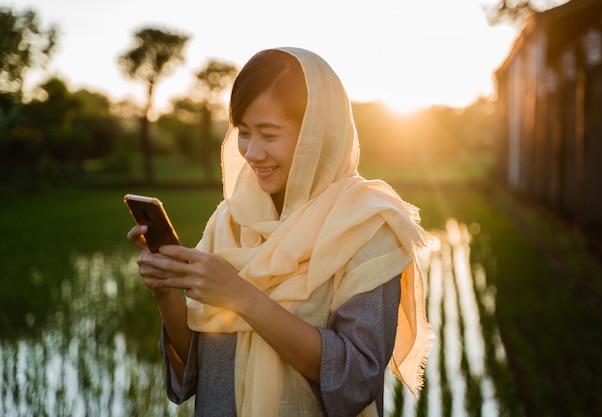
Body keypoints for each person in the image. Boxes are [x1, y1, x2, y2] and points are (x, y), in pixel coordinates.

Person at [127, 47, 433, 417]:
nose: (252, 152)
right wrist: (165, 292)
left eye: (269, 135)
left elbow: (355, 378)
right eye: (243, 132)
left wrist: (241, 296)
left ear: (317, 133)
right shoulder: (230, 221)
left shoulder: (365, 229)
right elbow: (198, 366)